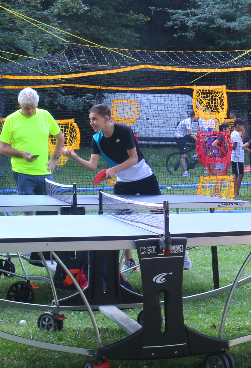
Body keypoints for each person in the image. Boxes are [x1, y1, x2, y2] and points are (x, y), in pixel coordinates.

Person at [63, 104, 191, 270]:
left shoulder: (124, 131)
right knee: (121, 221)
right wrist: (74, 156)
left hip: (144, 177)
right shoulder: (97, 139)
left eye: (94, 119)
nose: (91, 123)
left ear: (106, 118)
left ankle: (182, 253)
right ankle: (129, 261)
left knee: (161, 218)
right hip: (124, 182)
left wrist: (113, 169)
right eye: (90, 119)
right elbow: (93, 166)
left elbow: (134, 158)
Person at [0, 87, 63, 198]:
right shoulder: (11, 119)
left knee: (49, 210)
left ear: (37, 104)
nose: (30, 111)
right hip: (23, 173)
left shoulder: (45, 115)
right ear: (19, 104)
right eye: (27, 108)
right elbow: (2, 148)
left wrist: (54, 158)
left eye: (33, 107)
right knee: (27, 210)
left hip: (45, 172)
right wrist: (21, 154)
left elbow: (60, 137)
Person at [174, 111, 198, 177]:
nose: (198, 117)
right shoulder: (187, 121)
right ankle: (185, 172)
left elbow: (192, 133)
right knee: (183, 156)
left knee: (197, 141)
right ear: (194, 116)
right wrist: (197, 139)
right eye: (197, 116)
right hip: (179, 138)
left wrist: (198, 135)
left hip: (184, 136)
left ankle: (195, 155)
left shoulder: (190, 121)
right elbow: (191, 133)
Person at [229, 119, 246, 199]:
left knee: (237, 175)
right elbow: (234, 145)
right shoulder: (235, 134)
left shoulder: (237, 134)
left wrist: (242, 135)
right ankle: (236, 193)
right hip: (237, 158)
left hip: (239, 157)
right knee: (240, 175)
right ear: (237, 125)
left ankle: (235, 192)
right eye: (242, 126)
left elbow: (240, 143)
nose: (243, 127)